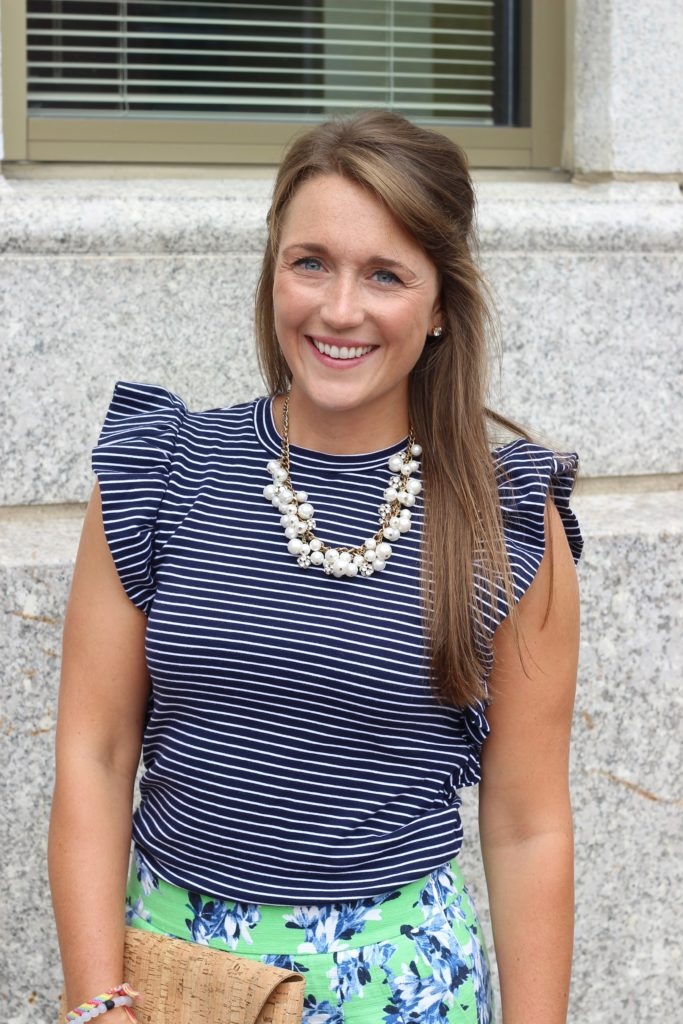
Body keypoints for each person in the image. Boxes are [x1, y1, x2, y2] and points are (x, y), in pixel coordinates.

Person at [49, 111, 582, 1024]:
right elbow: (94, 755)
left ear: (441, 301)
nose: (340, 309)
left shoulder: (502, 520)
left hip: (404, 989)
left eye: (385, 274)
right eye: (310, 263)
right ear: (272, 273)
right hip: (175, 981)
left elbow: (528, 824)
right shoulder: (164, 472)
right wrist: (97, 1001)